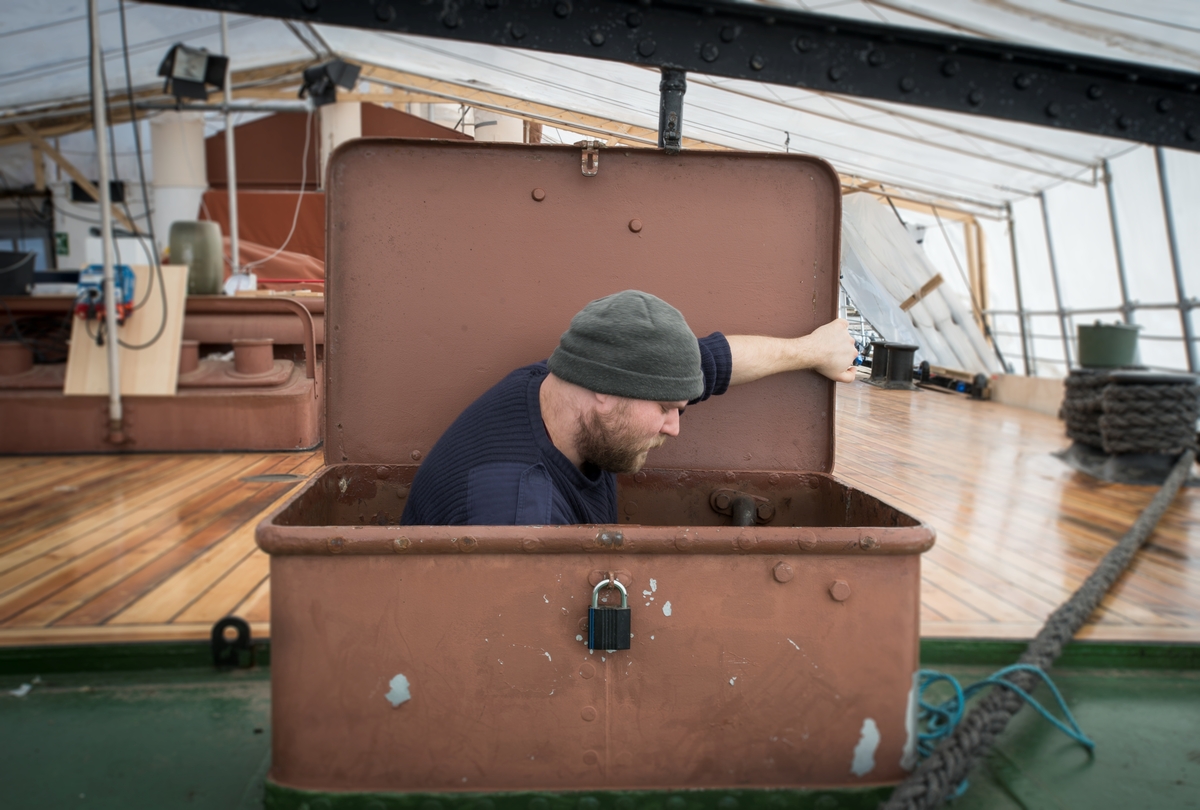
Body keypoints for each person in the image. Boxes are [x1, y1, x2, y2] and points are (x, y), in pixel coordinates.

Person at [400, 290, 858, 526]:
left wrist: (813, 351)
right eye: (665, 409)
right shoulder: (521, 511)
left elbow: (717, 361)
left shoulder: (568, 380)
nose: (674, 427)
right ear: (604, 392)